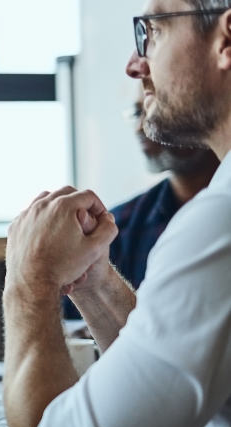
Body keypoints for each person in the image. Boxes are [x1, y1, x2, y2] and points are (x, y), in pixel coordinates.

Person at [3, 1, 231, 427]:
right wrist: (96, 283)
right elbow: (204, 426)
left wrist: (31, 280)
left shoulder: (219, 225)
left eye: (151, 32)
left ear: (226, 38)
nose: (135, 63)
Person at [62, 96, 219, 319]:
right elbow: (74, 330)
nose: (140, 127)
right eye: (137, 113)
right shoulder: (115, 229)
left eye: (157, 108)